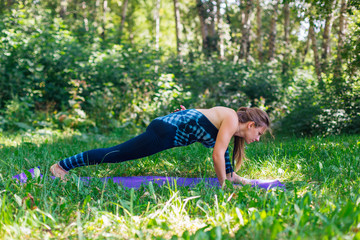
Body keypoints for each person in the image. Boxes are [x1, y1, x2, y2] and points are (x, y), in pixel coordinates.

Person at [50, 106, 270, 187]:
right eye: (259, 133)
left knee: (118, 153)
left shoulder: (228, 123)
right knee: (117, 154)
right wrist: (222, 186)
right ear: (251, 124)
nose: (258, 139)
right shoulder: (231, 119)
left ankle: (234, 178)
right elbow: (217, 155)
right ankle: (61, 167)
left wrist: (231, 177)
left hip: (168, 129)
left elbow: (201, 118)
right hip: (164, 131)